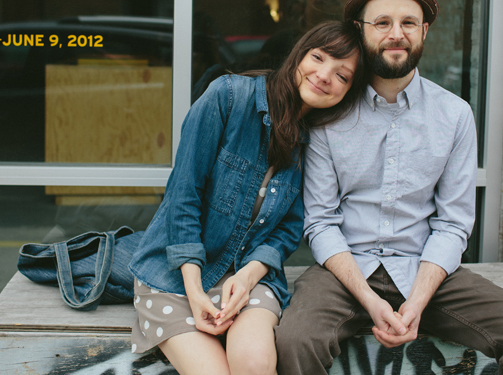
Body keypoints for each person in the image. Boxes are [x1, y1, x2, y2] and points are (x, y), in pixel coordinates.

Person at [275, 0, 503, 375]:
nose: (396, 33)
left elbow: (453, 223)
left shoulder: (455, 114)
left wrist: (417, 301)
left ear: (424, 32)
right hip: (344, 272)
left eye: (408, 22)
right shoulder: (330, 115)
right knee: (294, 340)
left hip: (425, 269)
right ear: (361, 32)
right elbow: (320, 221)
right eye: (382, 23)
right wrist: (372, 301)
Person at [129, 21, 367, 375]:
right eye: (317, 57)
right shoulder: (227, 96)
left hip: (249, 276)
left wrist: (248, 277)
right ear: (299, 54)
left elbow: (289, 228)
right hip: (176, 276)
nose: (323, 75)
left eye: (342, 75)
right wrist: (194, 292)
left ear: (348, 91)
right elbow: (183, 198)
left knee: (254, 365)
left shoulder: (316, 140)